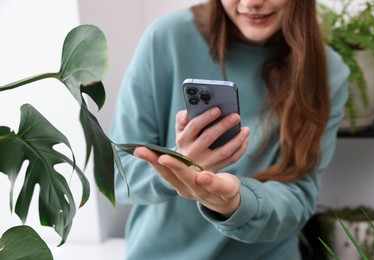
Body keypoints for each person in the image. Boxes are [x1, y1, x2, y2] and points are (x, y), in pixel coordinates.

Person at [110, 0, 350, 259]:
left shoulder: (328, 71)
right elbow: (118, 176)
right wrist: (177, 164)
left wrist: (237, 202)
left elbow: (299, 199)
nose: (252, 3)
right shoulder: (167, 38)